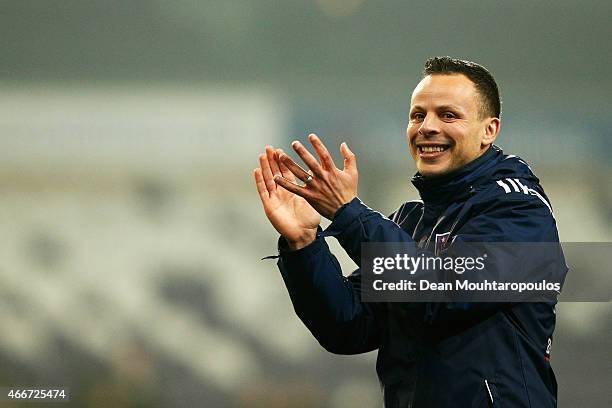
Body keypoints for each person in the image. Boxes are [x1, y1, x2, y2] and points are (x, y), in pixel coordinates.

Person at [254, 57, 566, 407]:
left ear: (489, 131)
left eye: (448, 115)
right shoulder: (411, 223)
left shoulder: (521, 211)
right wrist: (303, 244)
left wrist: (348, 213)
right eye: (418, 115)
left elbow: (442, 294)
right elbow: (349, 324)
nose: (427, 127)